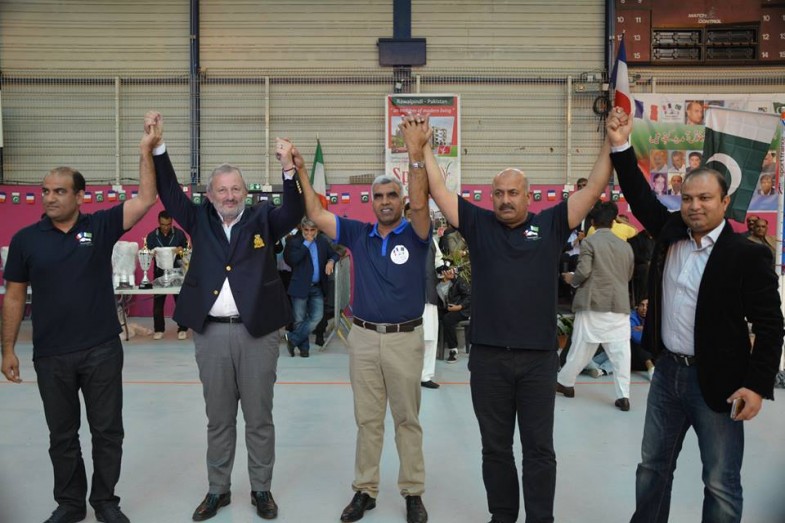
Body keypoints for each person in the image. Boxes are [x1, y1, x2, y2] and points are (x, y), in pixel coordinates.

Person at [422, 108, 614, 523]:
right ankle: (503, 516)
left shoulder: (552, 225)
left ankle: (540, 518)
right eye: (499, 193)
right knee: (495, 448)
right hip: (489, 360)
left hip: (537, 360)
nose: (506, 200)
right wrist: (422, 149)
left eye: (514, 193)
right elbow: (438, 189)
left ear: (529, 196)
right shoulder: (478, 224)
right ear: (492, 197)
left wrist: (611, 141)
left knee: (539, 449)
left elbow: (596, 184)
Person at [607, 107, 784, 523]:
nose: (694, 206)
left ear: (725, 201)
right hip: (667, 374)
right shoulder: (670, 232)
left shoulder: (747, 255)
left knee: (720, 482)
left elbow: (771, 325)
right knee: (653, 468)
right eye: (687, 198)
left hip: (720, 383)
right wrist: (620, 143)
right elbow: (637, 194)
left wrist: (756, 386)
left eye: (705, 198)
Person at [1, 111, 160, 523]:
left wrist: (146, 150)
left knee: (108, 433)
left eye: (59, 191)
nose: (49, 198)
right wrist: (8, 350)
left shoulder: (100, 226)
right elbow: (14, 296)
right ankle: (70, 504)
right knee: (62, 436)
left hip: (102, 351)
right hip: (51, 355)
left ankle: (105, 501)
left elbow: (145, 199)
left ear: (79, 196)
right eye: (45, 191)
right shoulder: (24, 241)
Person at [151, 119, 304, 521]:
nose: (230, 195)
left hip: (259, 334)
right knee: (218, 419)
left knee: (259, 418)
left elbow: (294, 209)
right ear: (210, 194)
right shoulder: (198, 219)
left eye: (236, 188)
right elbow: (167, 190)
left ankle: (261, 489)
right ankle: (217, 489)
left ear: (246, 192)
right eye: (222, 189)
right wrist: (159, 148)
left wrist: (288, 168)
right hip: (212, 336)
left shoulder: (262, 219)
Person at [285, 114, 432, 523]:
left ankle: (412, 492)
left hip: (405, 339)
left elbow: (422, 203)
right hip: (364, 340)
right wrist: (298, 170)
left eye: (391, 195)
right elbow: (315, 213)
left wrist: (415, 153)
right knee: (368, 420)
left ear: (401, 200)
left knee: (407, 419)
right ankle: (365, 490)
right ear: (371, 202)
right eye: (378, 196)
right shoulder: (355, 233)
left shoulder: (417, 233)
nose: (385, 201)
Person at [556, 201, 635, 411]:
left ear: (592, 222)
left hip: (593, 303)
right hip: (619, 304)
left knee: (581, 347)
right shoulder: (625, 246)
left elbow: (583, 273)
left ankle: (566, 383)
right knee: (621, 353)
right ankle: (623, 396)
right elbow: (628, 275)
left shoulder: (590, 243)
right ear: (613, 221)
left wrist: (569, 278)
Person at [283, 217, 340, 357]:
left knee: (317, 317)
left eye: (312, 230)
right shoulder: (294, 242)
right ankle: (304, 349)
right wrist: (306, 244)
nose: (309, 233)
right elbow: (293, 260)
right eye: (306, 230)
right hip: (299, 286)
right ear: (302, 229)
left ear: (317, 230)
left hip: (317, 287)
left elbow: (335, 253)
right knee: (299, 319)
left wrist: (331, 261)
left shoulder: (322, 241)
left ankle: (293, 338)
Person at [146, 210, 189, 340]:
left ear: (172, 222)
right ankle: (159, 329)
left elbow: (187, 250)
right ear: (159, 222)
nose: (166, 227)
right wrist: (151, 254)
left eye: (168, 224)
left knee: (181, 302)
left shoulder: (180, 234)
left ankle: (182, 328)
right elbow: (147, 253)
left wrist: (182, 250)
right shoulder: (152, 236)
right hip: (159, 273)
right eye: (163, 224)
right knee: (158, 303)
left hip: (177, 272)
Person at [436, 265, 471, 364]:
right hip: (448, 309)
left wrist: (459, 306)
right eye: (448, 271)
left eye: (451, 271)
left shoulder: (458, 281)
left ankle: (453, 350)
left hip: (462, 310)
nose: (451, 272)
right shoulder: (437, 285)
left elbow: (469, 296)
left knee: (447, 319)